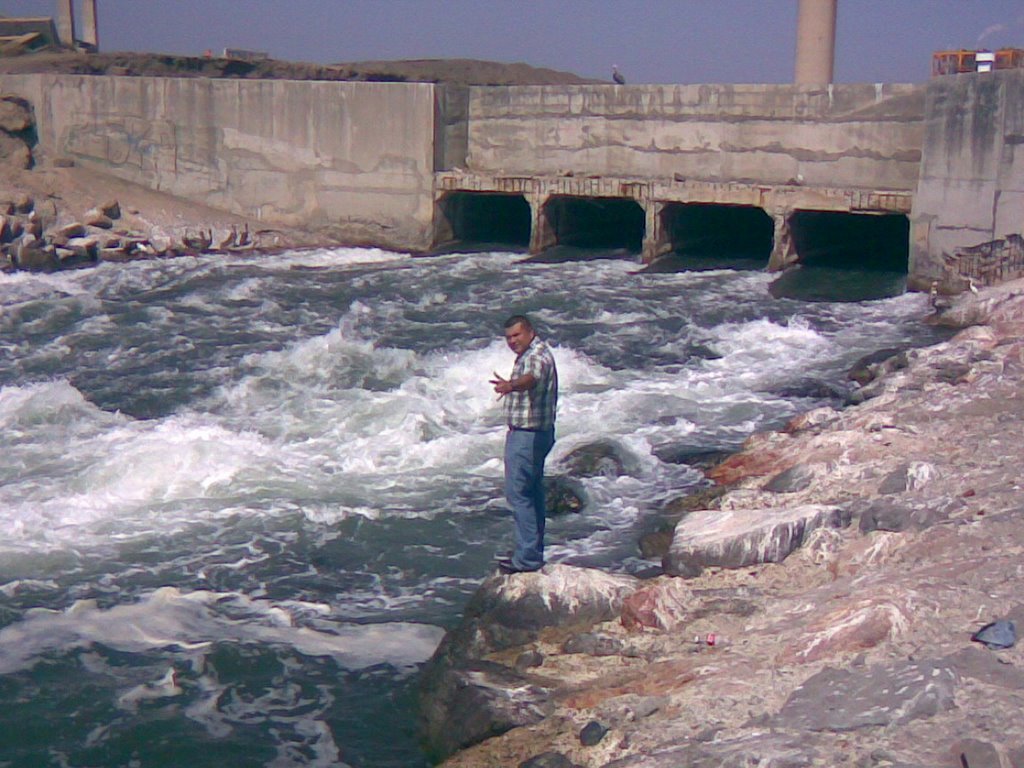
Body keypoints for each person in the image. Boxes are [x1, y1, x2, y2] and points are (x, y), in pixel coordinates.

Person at [489, 314, 558, 574]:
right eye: (508, 337)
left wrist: (511, 386)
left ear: (530, 331)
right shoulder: (534, 352)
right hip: (537, 433)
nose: (512, 341)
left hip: (528, 435)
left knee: (519, 495)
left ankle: (527, 558)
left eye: (517, 335)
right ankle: (530, 552)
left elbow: (532, 377)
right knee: (532, 494)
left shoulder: (537, 356)